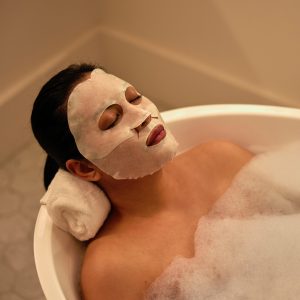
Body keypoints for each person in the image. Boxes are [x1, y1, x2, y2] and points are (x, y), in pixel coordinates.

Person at [31, 63, 253, 299]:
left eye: (134, 98)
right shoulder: (111, 270)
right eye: (113, 120)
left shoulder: (224, 160)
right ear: (85, 168)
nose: (143, 116)